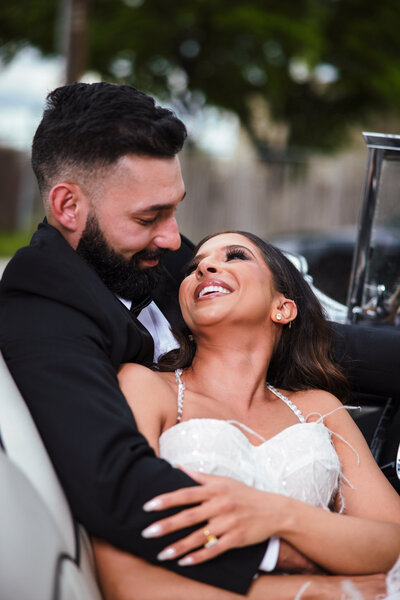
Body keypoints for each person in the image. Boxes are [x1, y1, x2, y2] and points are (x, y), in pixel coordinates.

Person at [0, 81, 398, 596]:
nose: (174, 241)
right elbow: (112, 484)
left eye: (174, 209)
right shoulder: (42, 302)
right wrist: (299, 553)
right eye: (149, 217)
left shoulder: (160, 258)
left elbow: (318, 342)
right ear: (68, 206)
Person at [92, 231, 400, 600]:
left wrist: (278, 514)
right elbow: (126, 580)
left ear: (282, 307)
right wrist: (305, 589)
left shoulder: (319, 407)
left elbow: (393, 541)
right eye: (194, 267)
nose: (204, 267)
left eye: (235, 256)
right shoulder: (146, 386)